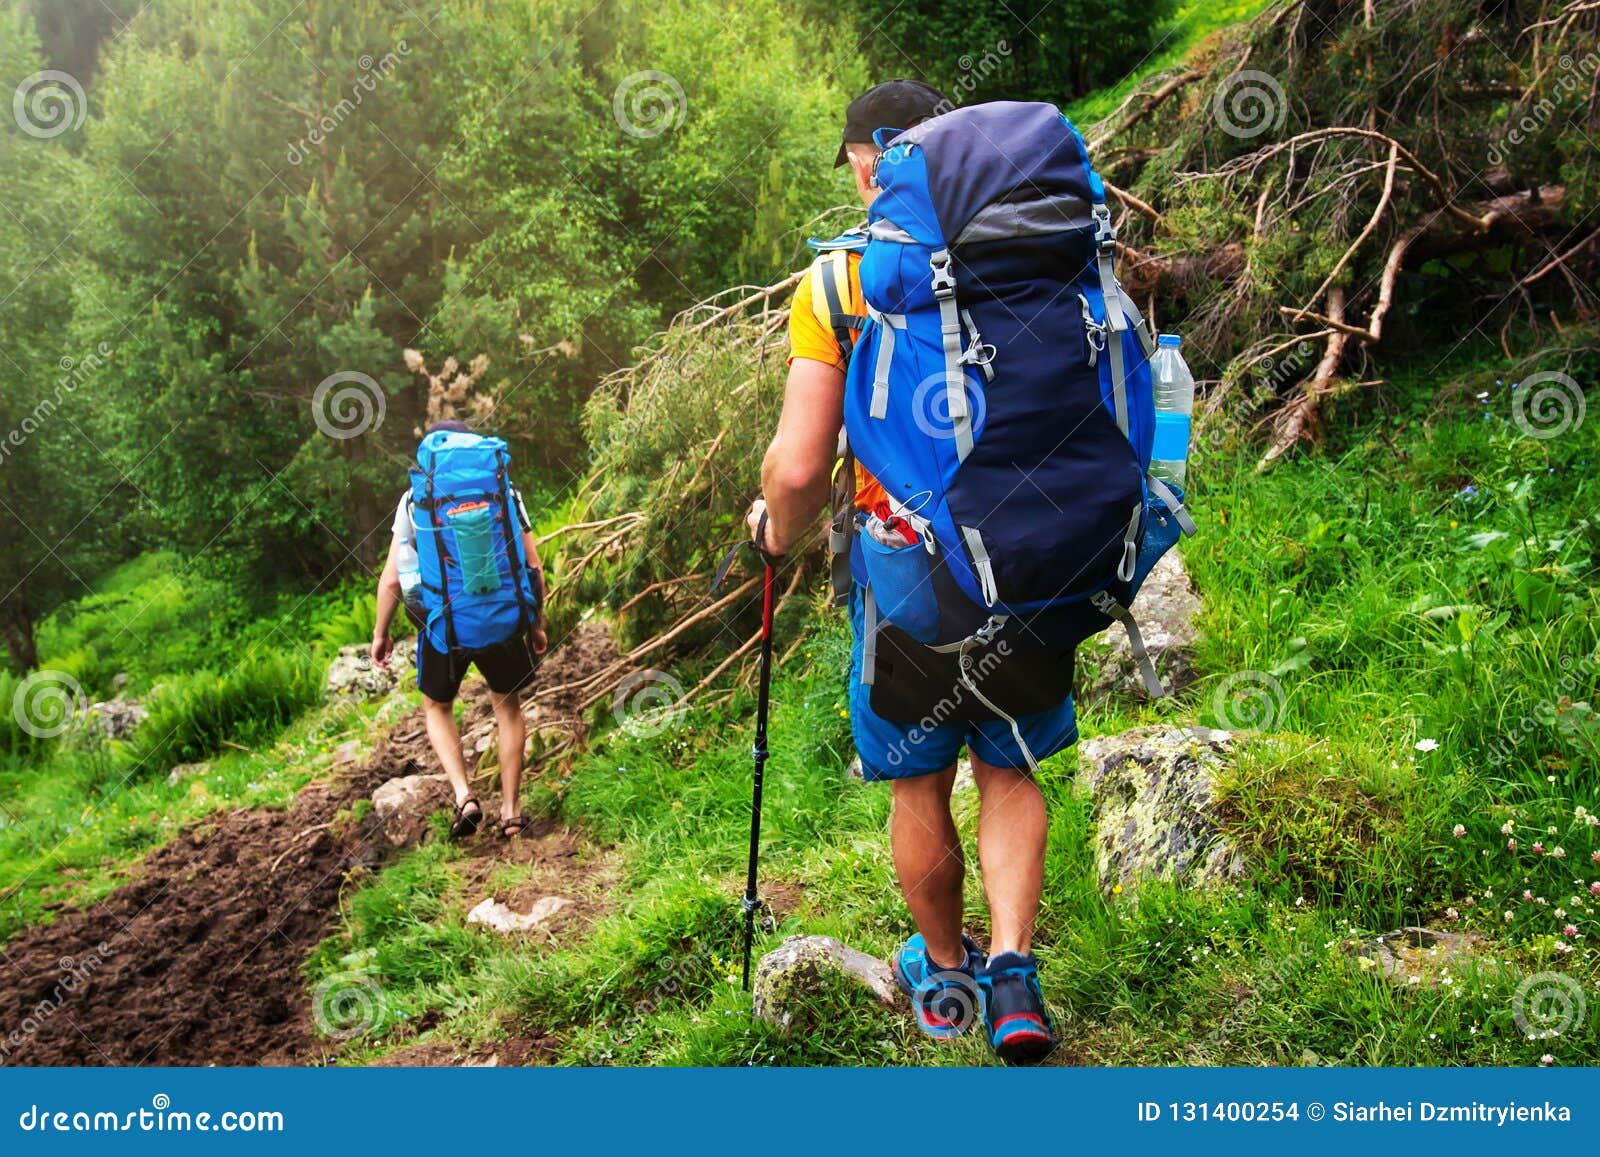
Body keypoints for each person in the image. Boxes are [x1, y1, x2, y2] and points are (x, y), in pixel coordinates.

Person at [745, 81, 1065, 1064]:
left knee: (917, 779)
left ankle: (942, 978)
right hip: (1029, 556)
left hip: (906, 571)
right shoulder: (1035, 247)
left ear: (861, 158)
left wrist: (771, 527)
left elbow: (799, 468)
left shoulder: (840, 283)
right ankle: (1013, 969)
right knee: (1007, 765)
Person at [373, 420, 549, 840]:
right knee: (507, 709)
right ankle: (511, 813)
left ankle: (465, 796)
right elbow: (534, 566)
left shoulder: (417, 497)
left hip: (444, 625)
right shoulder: (503, 491)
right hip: (504, 619)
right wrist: (536, 624)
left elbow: (393, 580)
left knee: (437, 707)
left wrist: (381, 632)